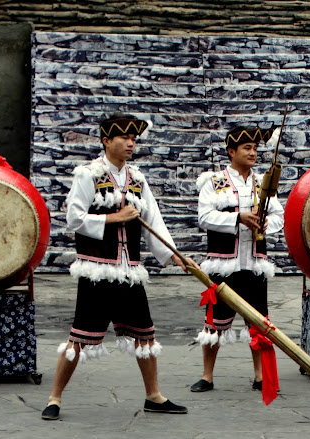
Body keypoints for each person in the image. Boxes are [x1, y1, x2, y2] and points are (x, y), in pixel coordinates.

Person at [42, 113, 195, 420]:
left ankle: (154, 395)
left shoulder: (137, 179)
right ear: (106, 141)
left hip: (130, 271)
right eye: (124, 138)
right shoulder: (88, 174)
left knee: (145, 335)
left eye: (134, 139)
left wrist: (174, 255)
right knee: (79, 337)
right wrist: (113, 218)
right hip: (97, 271)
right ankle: (54, 398)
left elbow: (154, 221)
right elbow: (73, 218)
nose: (130, 143)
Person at [189, 125, 284, 393]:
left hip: (254, 264)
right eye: (247, 148)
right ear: (231, 151)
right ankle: (207, 376)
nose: (253, 153)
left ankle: (260, 377)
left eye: (255, 148)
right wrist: (237, 218)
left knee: (259, 322)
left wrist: (266, 224)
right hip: (223, 264)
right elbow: (204, 217)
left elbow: (278, 215)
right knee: (213, 323)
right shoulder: (214, 182)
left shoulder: (262, 184)